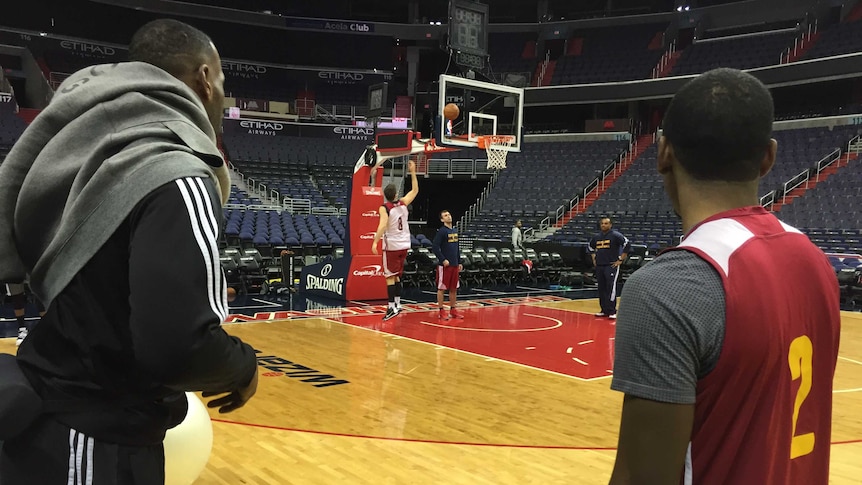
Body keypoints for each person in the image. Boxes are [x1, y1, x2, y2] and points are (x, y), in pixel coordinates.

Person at [0, 19, 258, 483]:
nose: (222, 95)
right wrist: (241, 367)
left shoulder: (84, 141)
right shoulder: (173, 167)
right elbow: (179, 345)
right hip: (93, 434)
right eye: (222, 82)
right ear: (203, 78)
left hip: (41, 413)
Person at [609, 68, 840, 485]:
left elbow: (643, 477)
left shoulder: (668, 287)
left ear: (663, 153)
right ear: (768, 157)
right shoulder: (816, 261)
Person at [372, 160, 419, 321]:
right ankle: (398, 304)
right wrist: (412, 172)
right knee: (397, 275)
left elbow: (382, 225)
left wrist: (374, 241)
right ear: (396, 194)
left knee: (389, 277)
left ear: (386, 195)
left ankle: (391, 307)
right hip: (405, 244)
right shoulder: (403, 203)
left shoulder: (384, 207)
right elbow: (415, 190)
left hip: (392, 246)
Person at [588, 217, 630, 319]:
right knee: (601, 288)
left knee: (611, 287)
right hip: (600, 266)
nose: (603, 225)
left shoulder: (616, 235)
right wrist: (594, 258)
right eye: (602, 223)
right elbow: (590, 247)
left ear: (610, 225)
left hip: (611, 265)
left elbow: (627, 244)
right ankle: (604, 310)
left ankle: (612, 310)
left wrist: (620, 260)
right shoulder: (597, 237)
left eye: (606, 223)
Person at [432, 210, 463, 320]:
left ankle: (453, 310)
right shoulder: (442, 232)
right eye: (445, 216)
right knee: (442, 288)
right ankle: (441, 311)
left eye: (449, 214)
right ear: (442, 220)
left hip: (454, 264)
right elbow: (435, 247)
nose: (449, 216)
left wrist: (459, 261)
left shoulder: (454, 230)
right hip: (445, 266)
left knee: (454, 288)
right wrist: (443, 259)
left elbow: (457, 248)